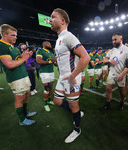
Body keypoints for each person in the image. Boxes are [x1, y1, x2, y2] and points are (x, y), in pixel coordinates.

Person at [49, 8, 90, 143]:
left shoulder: (68, 36)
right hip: (63, 77)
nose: (50, 20)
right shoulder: (59, 39)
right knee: (57, 101)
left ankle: (77, 129)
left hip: (71, 78)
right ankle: (76, 112)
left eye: (53, 17)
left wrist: (73, 76)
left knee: (73, 106)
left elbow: (85, 57)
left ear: (62, 21)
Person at [0, 24, 36, 126]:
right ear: (4, 34)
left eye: (16, 35)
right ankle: (22, 120)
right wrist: (24, 58)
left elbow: (22, 62)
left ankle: (25, 113)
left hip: (23, 75)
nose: (16, 37)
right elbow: (9, 64)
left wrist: (25, 56)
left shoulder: (13, 47)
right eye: (13, 35)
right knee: (19, 98)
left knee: (26, 95)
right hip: (15, 78)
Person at [101, 33, 128, 111]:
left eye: (115, 39)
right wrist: (110, 61)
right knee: (108, 89)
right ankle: (108, 105)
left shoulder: (127, 50)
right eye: (112, 40)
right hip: (111, 73)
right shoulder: (111, 50)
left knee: (121, 91)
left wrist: (122, 74)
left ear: (121, 39)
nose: (113, 41)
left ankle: (122, 102)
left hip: (121, 74)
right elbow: (104, 60)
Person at [36, 41, 56, 112]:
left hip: (51, 72)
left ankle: (49, 100)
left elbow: (55, 64)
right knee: (46, 89)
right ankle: (45, 103)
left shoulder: (51, 53)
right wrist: (50, 61)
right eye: (48, 44)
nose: (50, 45)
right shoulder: (40, 50)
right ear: (44, 44)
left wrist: (56, 62)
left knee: (50, 88)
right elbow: (38, 61)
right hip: (44, 72)